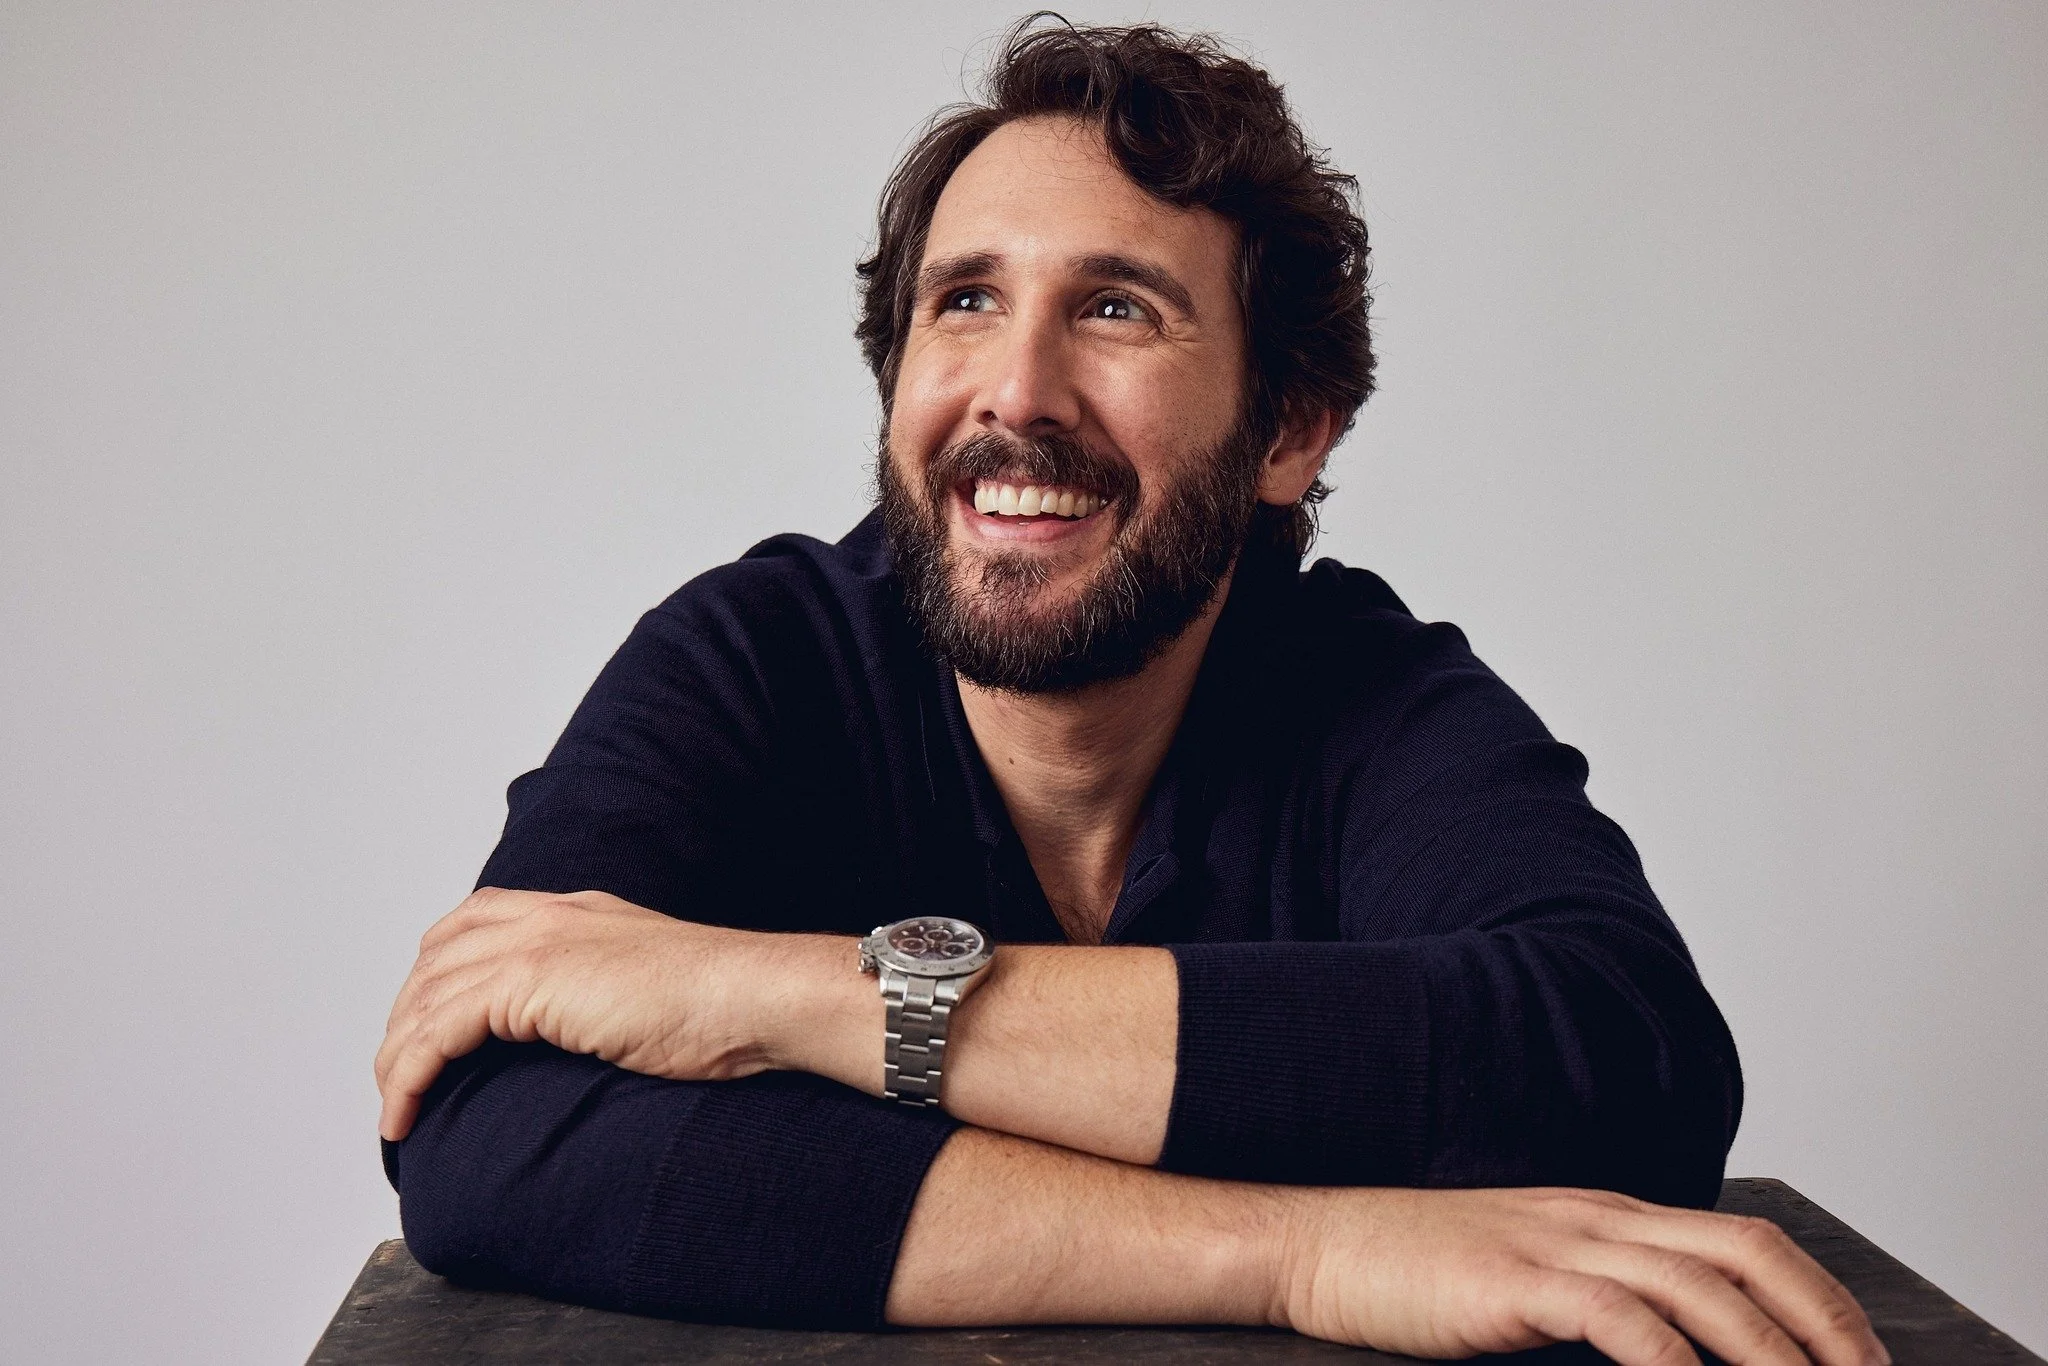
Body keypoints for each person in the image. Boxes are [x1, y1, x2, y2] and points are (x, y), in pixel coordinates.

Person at [374, 20, 1886, 1365]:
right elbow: (481, 1135)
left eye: (1115, 310)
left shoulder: (1375, 696)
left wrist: (775, 995)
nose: (1015, 390)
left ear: (1287, 430)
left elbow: (1622, 1065)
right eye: (963, 302)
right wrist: (1302, 1250)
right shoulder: (752, 659)